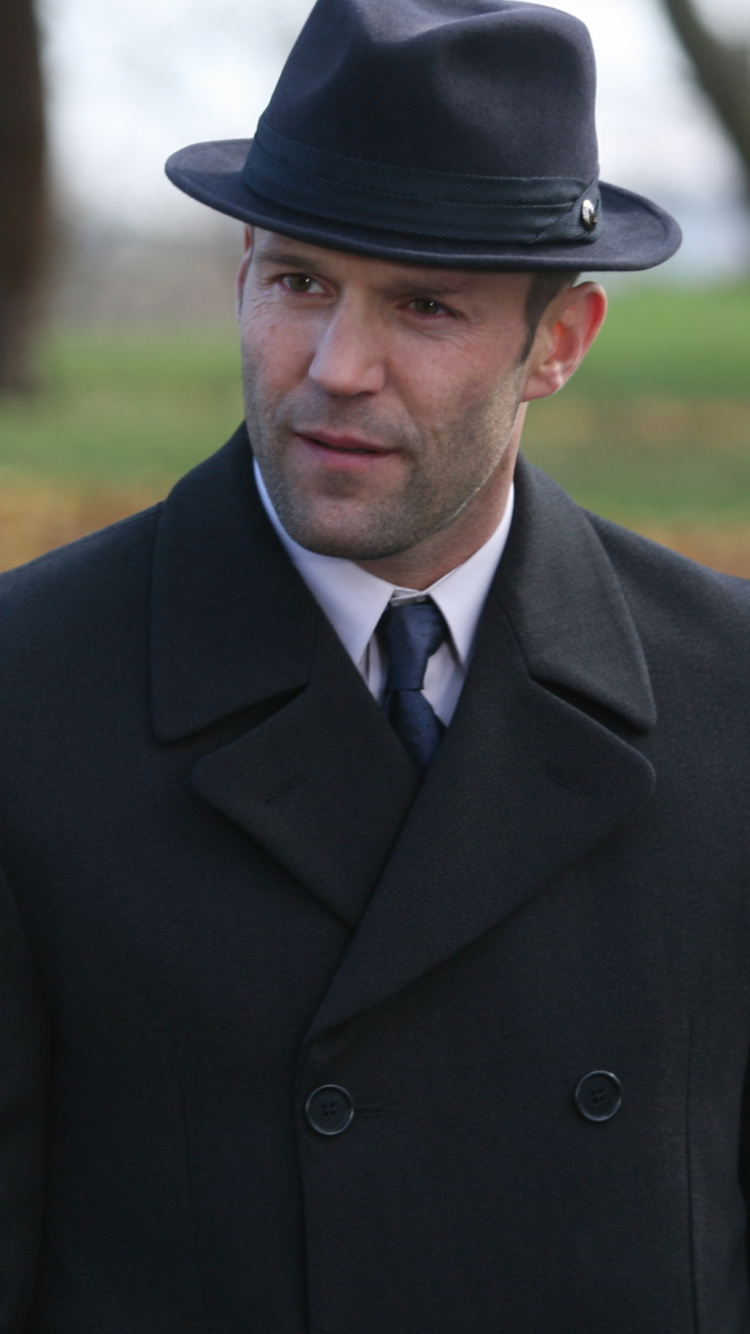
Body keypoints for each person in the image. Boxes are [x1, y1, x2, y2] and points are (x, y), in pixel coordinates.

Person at [2, 0, 750, 1329]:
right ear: (241, 271)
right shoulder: (26, 695)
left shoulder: (728, 699)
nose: (336, 370)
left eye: (422, 305)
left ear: (559, 343)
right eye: (300, 282)